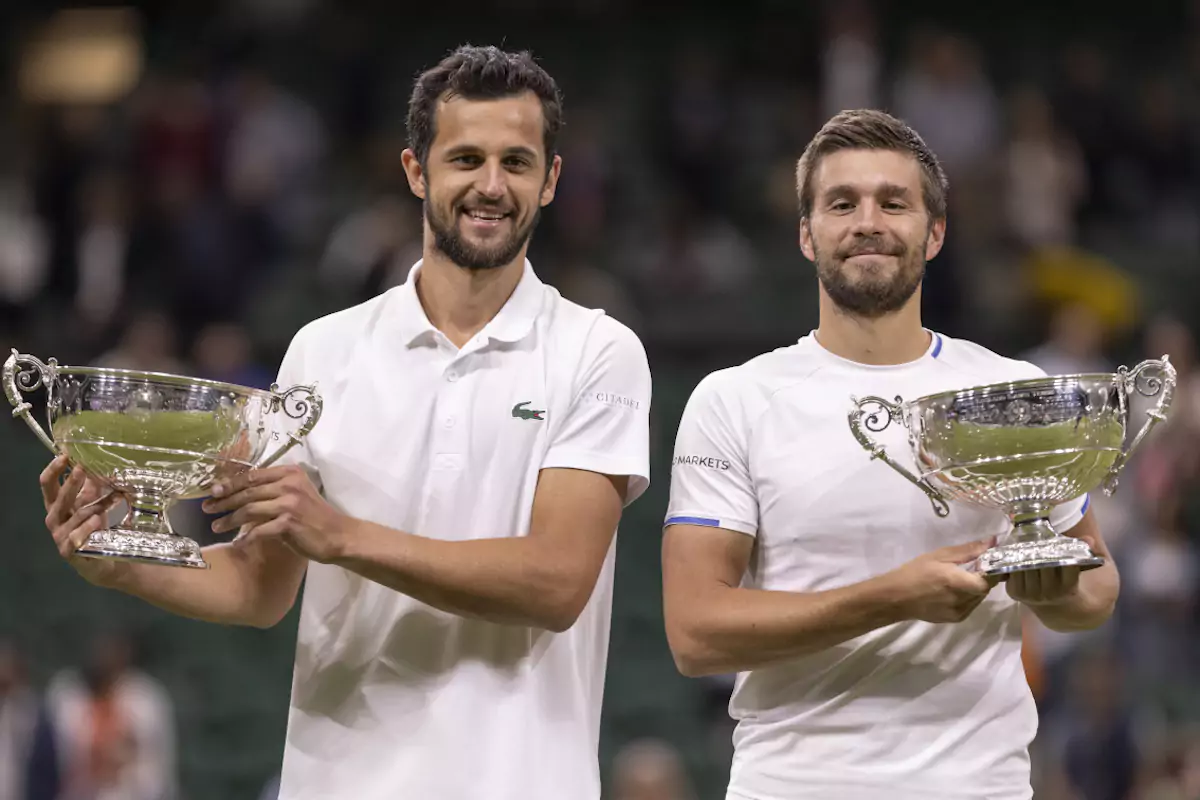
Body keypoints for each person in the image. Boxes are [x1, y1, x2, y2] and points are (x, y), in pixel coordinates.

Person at [40, 45, 651, 800]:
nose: (491, 186)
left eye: (517, 162)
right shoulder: (321, 351)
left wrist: (340, 536)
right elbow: (259, 591)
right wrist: (119, 561)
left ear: (550, 180)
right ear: (415, 170)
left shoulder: (599, 349)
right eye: (465, 158)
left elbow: (558, 580)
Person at [661, 109, 1119, 800]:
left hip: (978, 785)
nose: (867, 221)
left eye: (893, 203)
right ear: (806, 234)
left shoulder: (1011, 390)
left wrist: (1058, 591)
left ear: (934, 234)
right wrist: (891, 597)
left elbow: (1098, 585)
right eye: (842, 203)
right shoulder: (735, 400)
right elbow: (696, 633)